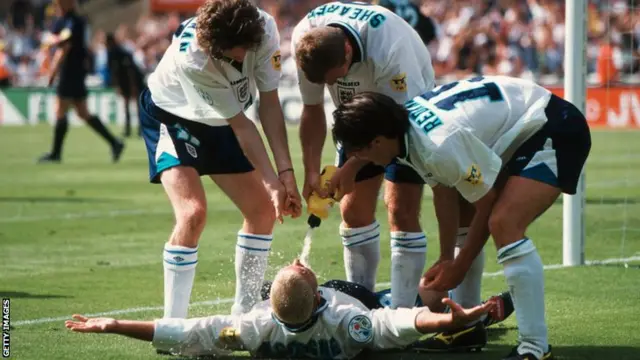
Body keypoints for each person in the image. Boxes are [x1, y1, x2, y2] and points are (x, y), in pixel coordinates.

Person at [331, 75, 592, 360]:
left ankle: (535, 347)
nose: (359, 158)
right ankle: (467, 327)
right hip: (521, 127)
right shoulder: (403, 131)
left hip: (552, 126)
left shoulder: (437, 145)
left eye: (359, 151)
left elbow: (487, 203)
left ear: (377, 141)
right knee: (466, 205)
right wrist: (447, 257)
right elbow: (444, 191)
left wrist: (460, 263)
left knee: (504, 222)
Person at [138, 0, 301, 322]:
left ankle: (244, 313)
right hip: (174, 116)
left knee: (263, 211)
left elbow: (269, 103)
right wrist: (272, 183)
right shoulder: (195, 60)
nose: (236, 59)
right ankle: (173, 327)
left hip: (222, 119)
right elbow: (242, 126)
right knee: (192, 213)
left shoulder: (265, 29)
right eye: (225, 53)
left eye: (237, 51)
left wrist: (286, 175)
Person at [291, 0, 440, 310]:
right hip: (358, 116)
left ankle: (402, 314)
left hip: (405, 112)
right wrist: (311, 172)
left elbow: (399, 121)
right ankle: (361, 303)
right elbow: (312, 109)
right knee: (353, 211)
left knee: (400, 209)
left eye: (334, 78)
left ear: (348, 52)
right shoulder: (305, 38)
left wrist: (351, 165)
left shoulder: (390, 46)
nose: (330, 85)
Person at [65, 258, 495, 359]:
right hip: (361, 300)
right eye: (304, 271)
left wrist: (115, 324)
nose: (300, 264)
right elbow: (396, 323)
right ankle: (466, 322)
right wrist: (441, 317)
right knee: (406, 296)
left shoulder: (253, 328)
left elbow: (185, 332)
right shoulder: (346, 320)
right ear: (319, 293)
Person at [38, 0, 124, 164]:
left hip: (71, 71)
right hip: (74, 71)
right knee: (82, 112)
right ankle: (115, 143)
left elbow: (64, 47)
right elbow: (55, 41)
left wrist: (52, 72)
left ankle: (56, 153)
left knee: (60, 110)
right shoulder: (64, 21)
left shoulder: (74, 21)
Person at [105, 32, 145, 137]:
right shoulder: (113, 52)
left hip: (133, 81)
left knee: (136, 105)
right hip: (125, 81)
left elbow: (130, 71)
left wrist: (133, 86)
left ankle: (139, 130)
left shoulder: (118, 52)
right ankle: (130, 130)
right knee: (128, 105)